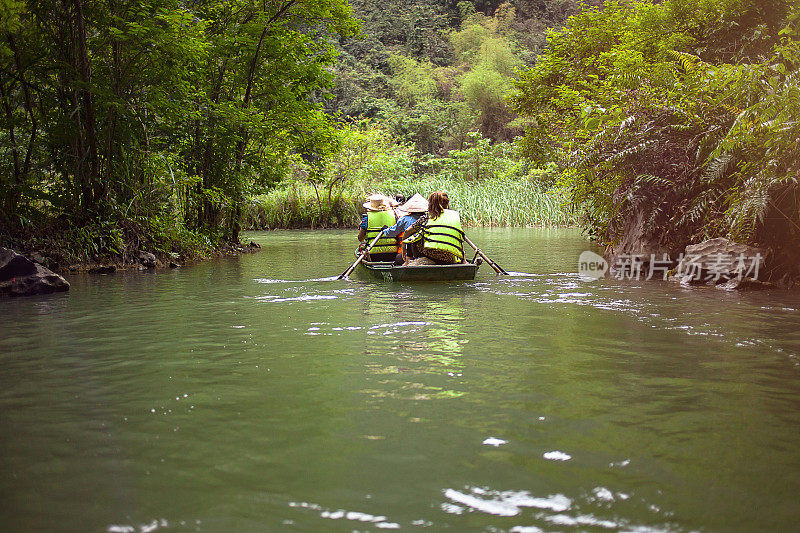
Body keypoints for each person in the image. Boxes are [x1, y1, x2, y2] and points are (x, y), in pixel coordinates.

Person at [403, 191, 465, 264]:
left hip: (430, 255)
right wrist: (464, 260)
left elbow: (407, 231)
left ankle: (407, 260)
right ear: (447, 203)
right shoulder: (454, 217)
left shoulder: (427, 217)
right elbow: (460, 239)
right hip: (449, 257)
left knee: (413, 236)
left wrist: (404, 249)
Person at [358, 194, 399, 262]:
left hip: (373, 255)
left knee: (361, 248)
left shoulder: (366, 218)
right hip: (393, 254)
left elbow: (360, 238)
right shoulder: (395, 215)